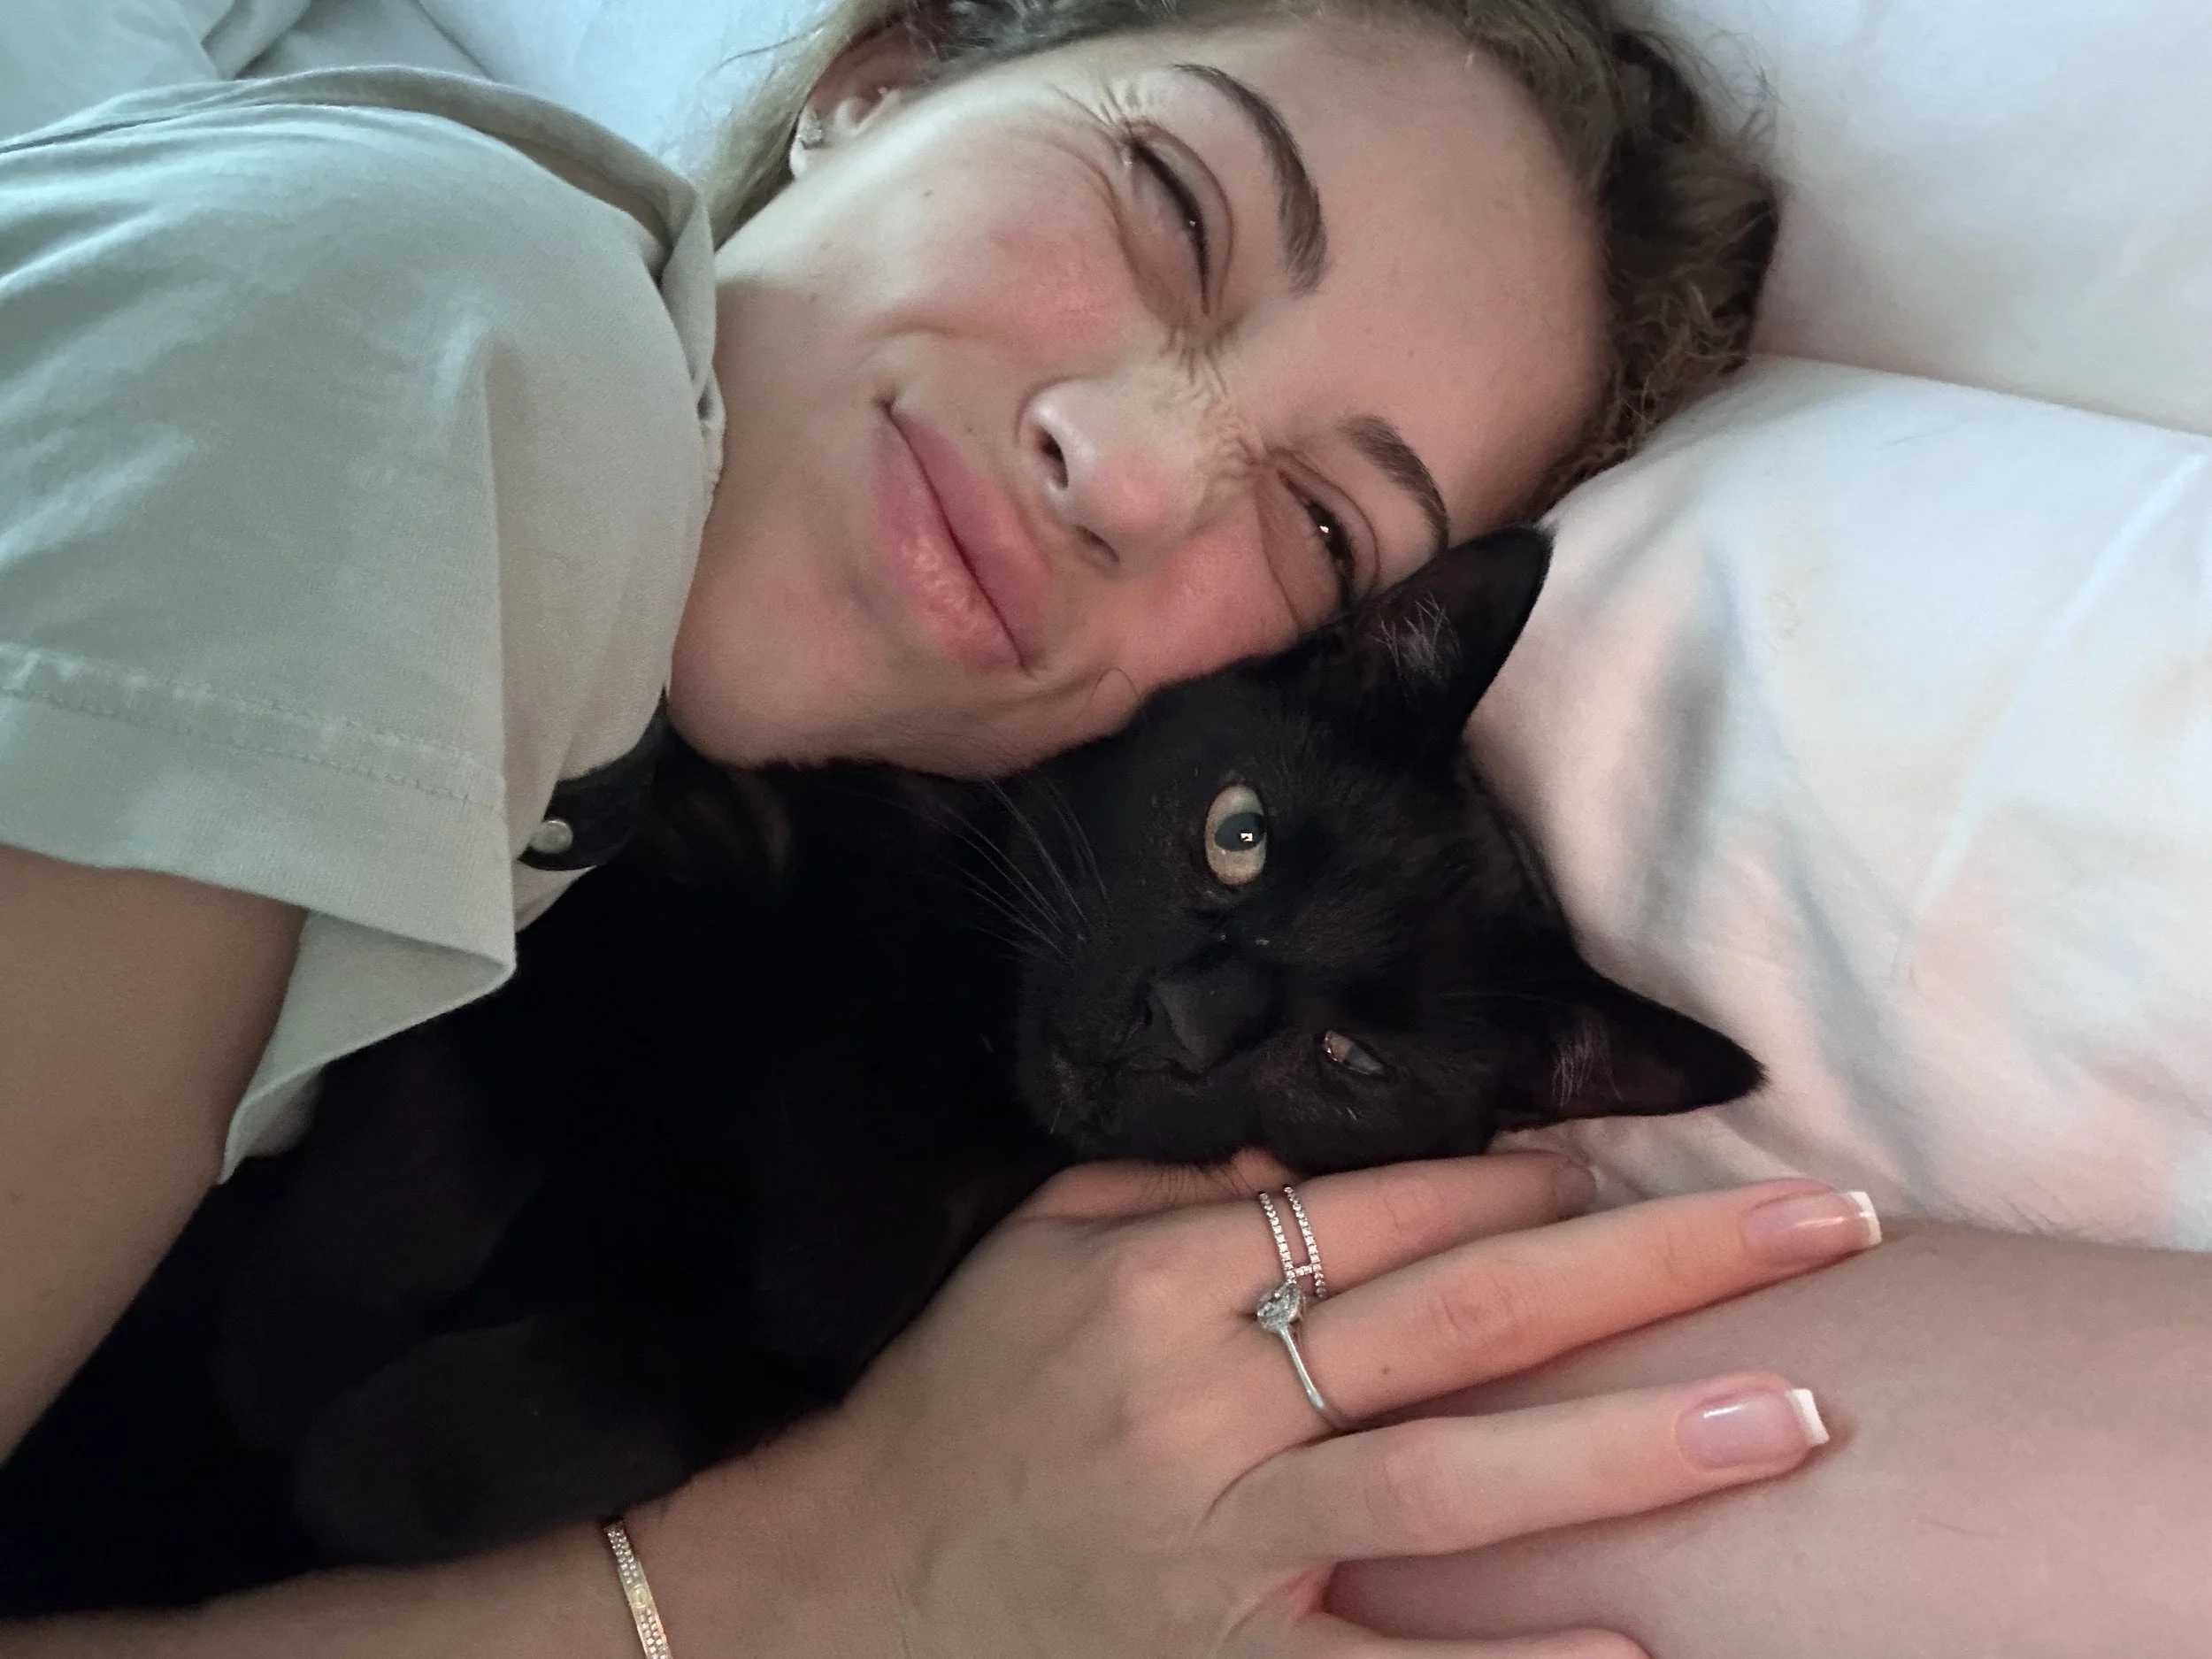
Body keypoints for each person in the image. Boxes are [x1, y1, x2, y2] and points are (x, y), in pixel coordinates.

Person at [0, 0, 1905, 1653]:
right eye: (1171, 208)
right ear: (878, 73)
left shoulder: (586, 713)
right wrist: (837, 1577)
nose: (1140, 468)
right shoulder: (470, 338)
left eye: (1319, 531)